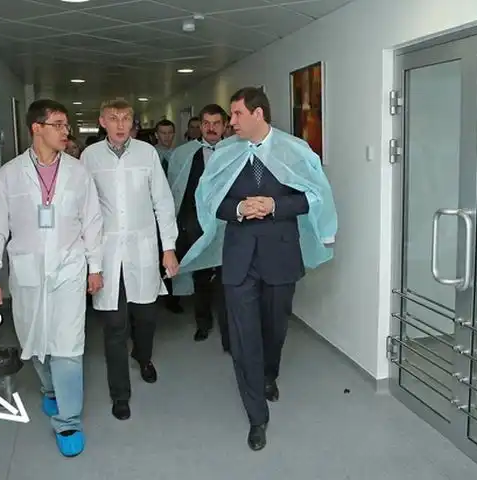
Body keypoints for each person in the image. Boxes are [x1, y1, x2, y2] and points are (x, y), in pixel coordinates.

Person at [177, 87, 337, 451]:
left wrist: (274, 206)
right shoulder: (224, 154)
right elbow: (209, 201)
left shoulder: (295, 150)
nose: (230, 122)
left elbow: (314, 196)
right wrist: (238, 210)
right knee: (243, 336)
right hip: (239, 258)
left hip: (281, 255)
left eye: (236, 114)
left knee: (274, 329)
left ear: (258, 114)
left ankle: (269, 374)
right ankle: (256, 416)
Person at [0, 99, 104, 457]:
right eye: (58, 125)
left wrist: (95, 267)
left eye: (67, 126)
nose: (66, 132)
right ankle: (50, 389)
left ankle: (68, 421)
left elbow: (92, 221)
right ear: (37, 128)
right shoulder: (8, 175)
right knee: (34, 340)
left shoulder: (78, 173)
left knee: (68, 345)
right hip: (28, 271)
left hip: (69, 268)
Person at [81, 98, 179, 421]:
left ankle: (144, 356)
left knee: (146, 316)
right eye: (113, 118)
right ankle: (120, 394)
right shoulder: (90, 157)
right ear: (102, 122)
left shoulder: (147, 153)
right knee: (114, 326)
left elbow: (162, 201)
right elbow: (84, 210)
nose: (120, 124)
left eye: (126, 118)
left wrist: (168, 247)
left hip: (142, 249)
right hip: (107, 252)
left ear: (133, 122)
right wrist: (88, 261)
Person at [167, 103, 230, 349]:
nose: (211, 128)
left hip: (227, 225)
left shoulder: (235, 151)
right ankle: (203, 324)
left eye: (216, 124)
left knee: (228, 279)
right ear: (200, 126)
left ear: (225, 126)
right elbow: (175, 191)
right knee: (201, 276)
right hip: (197, 227)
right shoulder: (184, 155)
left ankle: (229, 333)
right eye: (206, 124)